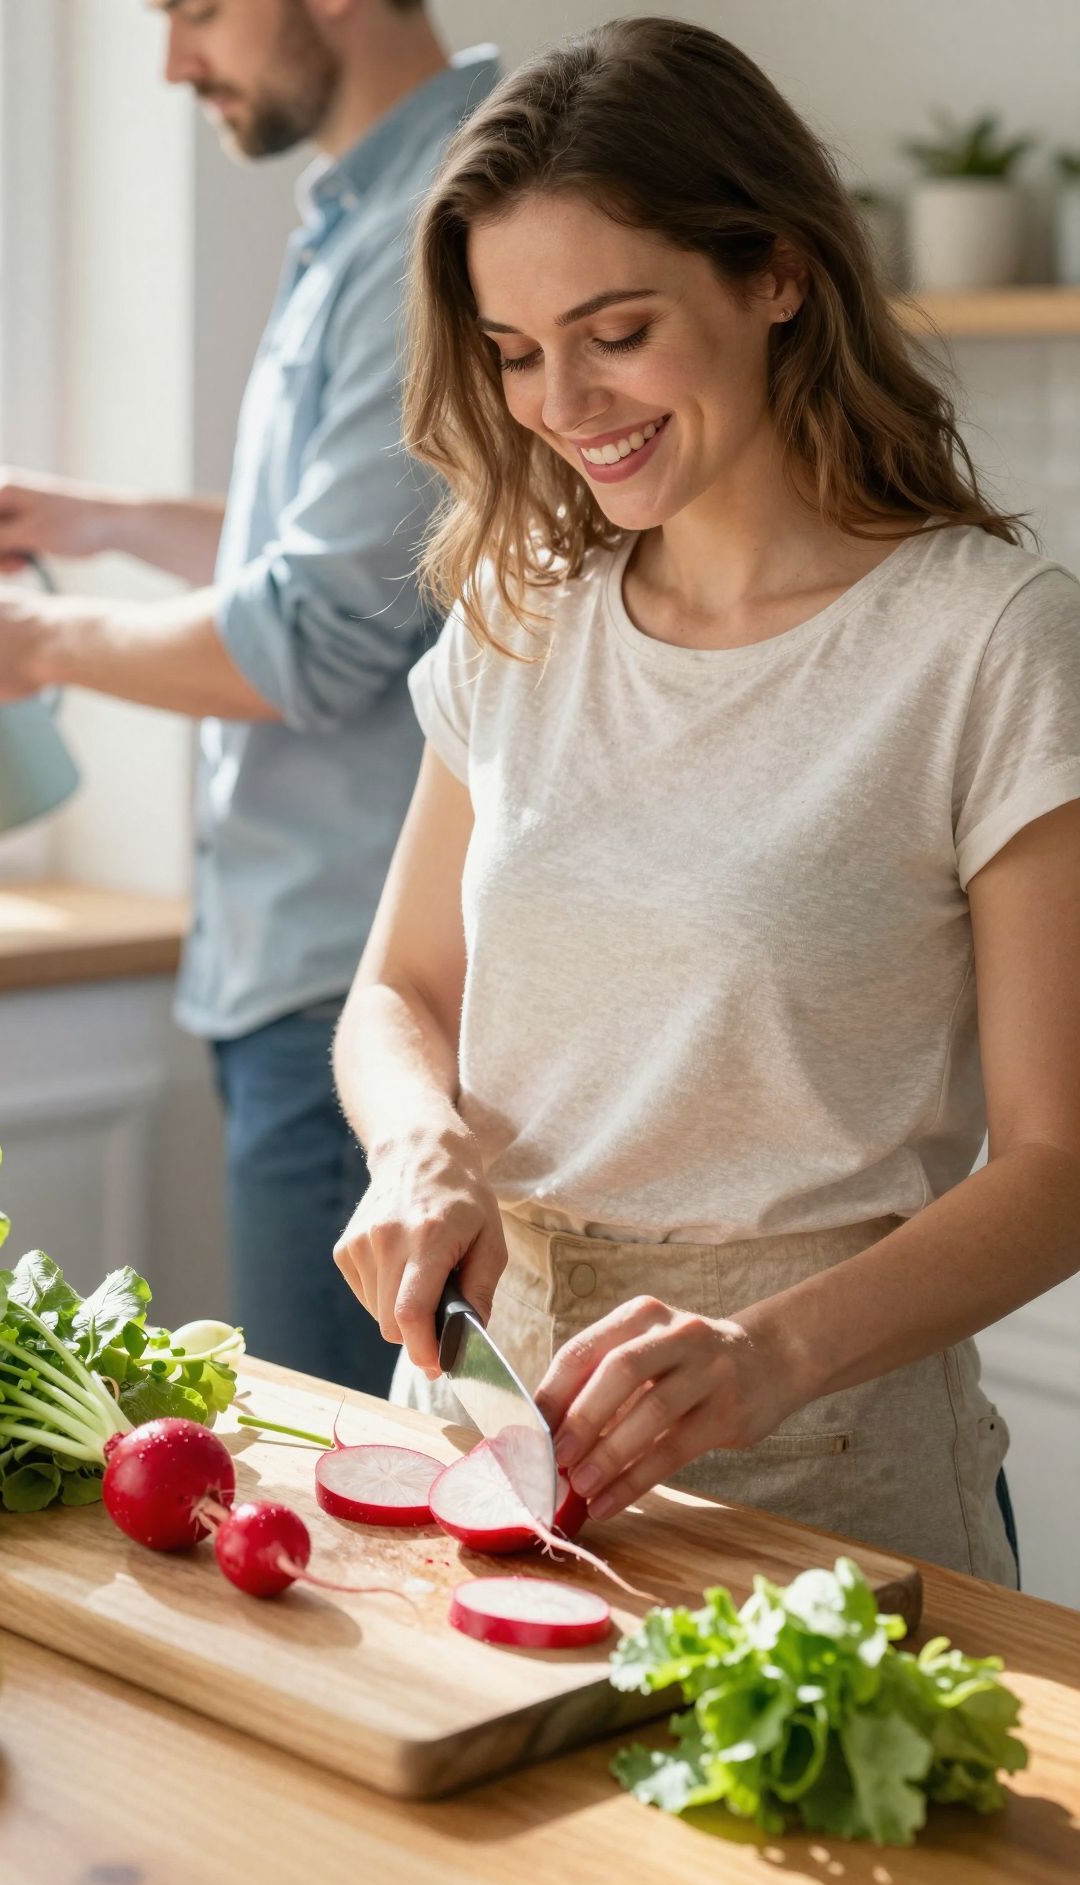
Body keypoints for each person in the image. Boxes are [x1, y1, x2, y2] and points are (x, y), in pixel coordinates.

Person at [331, 16, 1080, 1584]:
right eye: (514, 351)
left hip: (831, 1458)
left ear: (777, 274)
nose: (561, 401)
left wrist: (767, 1356)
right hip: (493, 1416)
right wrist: (416, 1146)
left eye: (615, 331)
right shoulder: (519, 613)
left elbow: (1058, 1167)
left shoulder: (986, 641)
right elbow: (399, 993)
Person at [0, 2, 499, 1396]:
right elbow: (362, 562)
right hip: (298, 969)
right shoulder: (360, 209)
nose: (175, 65)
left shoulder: (441, 217)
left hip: (355, 988)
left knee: (348, 1465)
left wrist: (35, 642)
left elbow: (318, 632)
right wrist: (110, 522)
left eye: (198, 10)